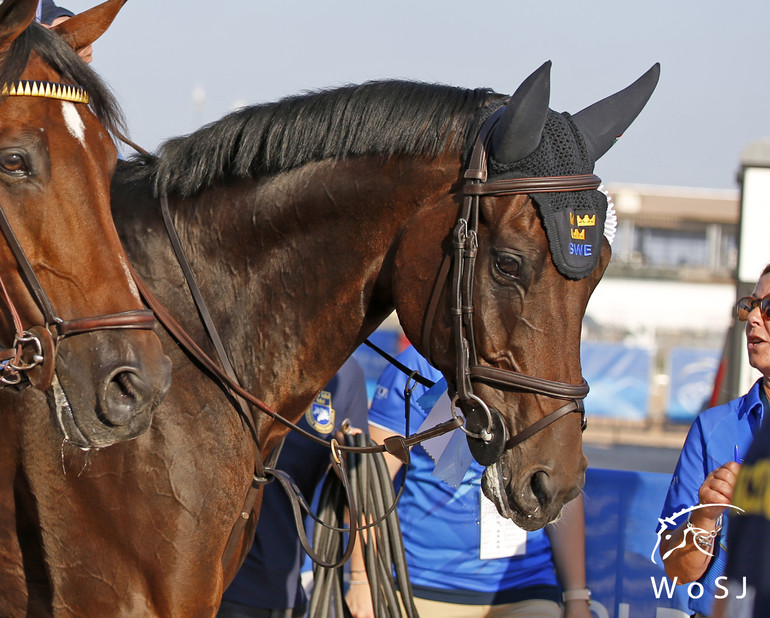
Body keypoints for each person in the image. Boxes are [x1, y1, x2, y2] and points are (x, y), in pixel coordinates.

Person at [347, 345, 592, 618]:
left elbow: (561, 487)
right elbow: (369, 481)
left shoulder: (546, 367)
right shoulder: (420, 362)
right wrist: (361, 579)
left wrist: (576, 596)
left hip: (526, 587)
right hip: (418, 586)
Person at [657, 264, 770, 617]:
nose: (753, 319)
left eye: (769, 309)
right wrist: (704, 520)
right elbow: (676, 571)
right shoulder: (713, 427)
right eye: (750, 305)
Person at [219, 357, 369, 618]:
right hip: (214, 587)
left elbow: (361, 492)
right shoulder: (229, 349)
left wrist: (361, 580)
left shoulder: (346, 372)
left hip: (287, 590)